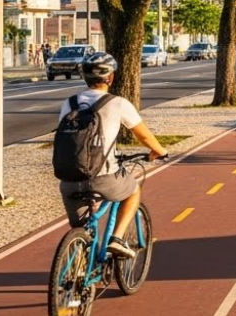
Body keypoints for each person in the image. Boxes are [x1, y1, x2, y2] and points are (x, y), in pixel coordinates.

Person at [57, 52, 168, 259]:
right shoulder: (118, 103)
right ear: (110, 77)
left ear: (85, 77)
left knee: (82, 230)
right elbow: (143, 135)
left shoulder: (69, 104)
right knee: (133, 190)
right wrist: (159, 151)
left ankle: (78, 270)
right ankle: (116, 239)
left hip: (69, 179)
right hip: (104, 178)